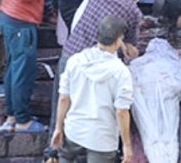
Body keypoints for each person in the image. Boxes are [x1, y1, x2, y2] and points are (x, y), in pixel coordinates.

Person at [0, 0, 62, 132]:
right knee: (22, 73)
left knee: (12, 69)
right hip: (21, 22)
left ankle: (12, 115)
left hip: (9, 17)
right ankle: (23, 120)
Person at [52, 16, 134, 161]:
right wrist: (127, 145)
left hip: (74, 130)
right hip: (102, 139)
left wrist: (58, 128)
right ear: (117, 41)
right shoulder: (121, 72)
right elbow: (121, 111)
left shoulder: (75, 61)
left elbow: (64, 98)